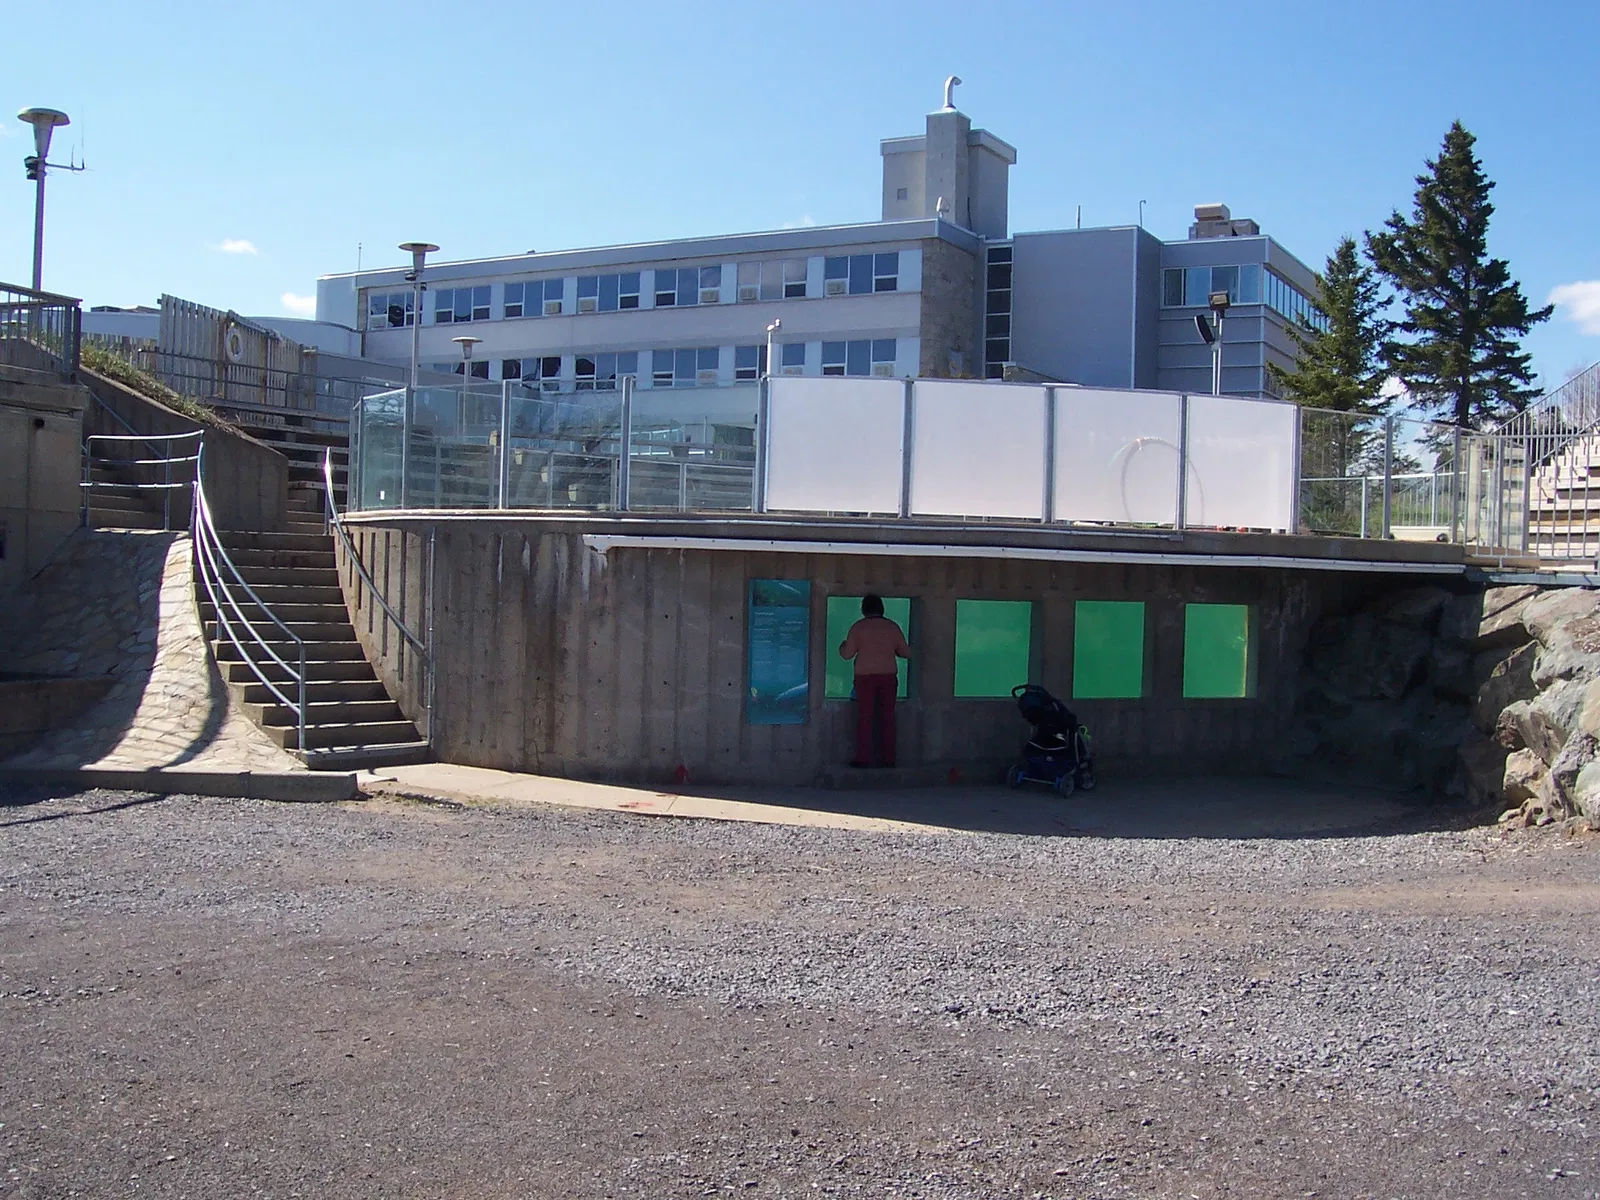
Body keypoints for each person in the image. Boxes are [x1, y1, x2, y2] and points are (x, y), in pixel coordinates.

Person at [838, 594, 911, 768]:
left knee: (865, 717)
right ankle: (888, 759)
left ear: (864, 609)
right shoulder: (892, 627)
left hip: (864, 677)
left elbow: (847, 655)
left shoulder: (858, 628)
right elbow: (907, 653)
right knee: (888, 718)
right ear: (881, 608)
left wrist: (842, 646)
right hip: (888, 677)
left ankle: (863, 759)